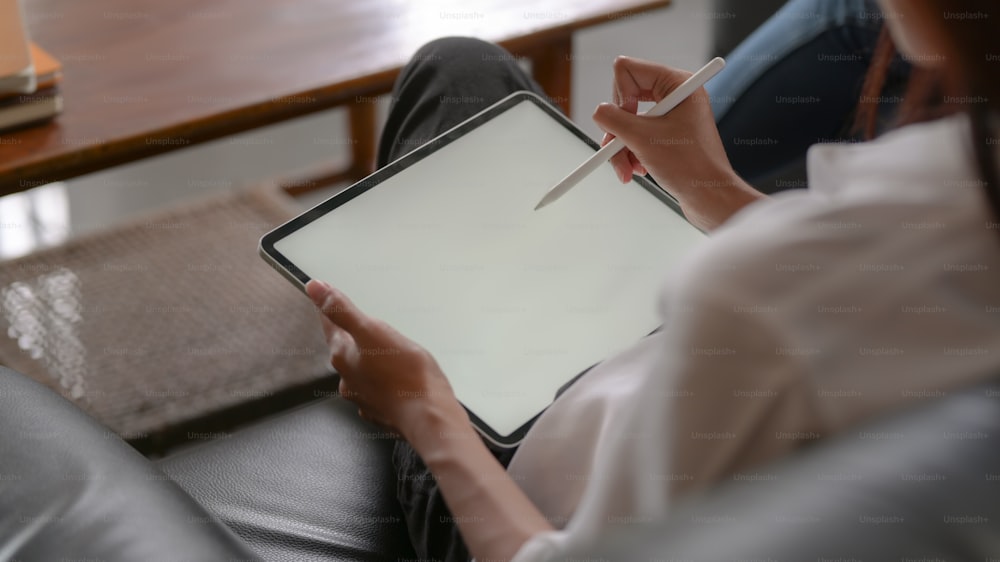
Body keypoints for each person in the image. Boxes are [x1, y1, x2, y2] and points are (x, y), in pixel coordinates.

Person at [305, 0, 1000, 561]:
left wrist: (423, 407)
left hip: (526, 494)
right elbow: (855, 292)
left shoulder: (760, 296)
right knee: (465, 65)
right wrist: (709, 187)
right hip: (657, 372)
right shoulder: (947, 205)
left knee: (451, 70)